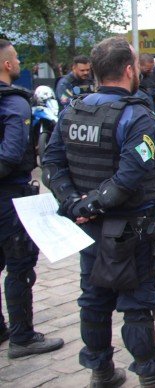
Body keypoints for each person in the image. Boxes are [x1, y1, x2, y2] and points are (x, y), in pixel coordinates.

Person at [42, 37, 155, 388]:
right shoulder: (135, 114)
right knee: (137, 303)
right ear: (128, 70)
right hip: (130, 229)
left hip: (89, 226)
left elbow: (50, 164)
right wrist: (88, 203)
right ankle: (151, 377)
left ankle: (102, 372)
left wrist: (75, 204)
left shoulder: (73, 110)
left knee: (94, 299)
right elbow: (131, 174)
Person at [0, 40, 64, 358]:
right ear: (8, 65)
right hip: (11, 196)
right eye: (15, 58)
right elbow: (11, 153)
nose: (18, 62)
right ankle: (22, 336)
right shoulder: (14, 103)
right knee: (20, 265)